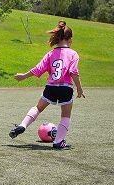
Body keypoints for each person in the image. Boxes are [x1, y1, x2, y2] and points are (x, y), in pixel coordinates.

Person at [9, 21, 85, 149]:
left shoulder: (50, 54)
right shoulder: (73, 54)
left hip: (51, 88)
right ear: (70, 39)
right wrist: (79, 88)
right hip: (65, 88)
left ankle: (22, 125)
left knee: (38, 108)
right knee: (65, 116)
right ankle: (58, 142)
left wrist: (23, 76)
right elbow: (73, 72)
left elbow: (38, 69)